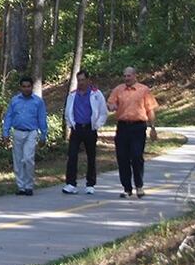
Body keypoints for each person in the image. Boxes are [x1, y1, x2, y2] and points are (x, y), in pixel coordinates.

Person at [107, 67, 159, 199]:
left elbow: (150, 110)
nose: (126, 78)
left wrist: (152, 128)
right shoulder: (118, 90)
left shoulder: (144, 90)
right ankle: (127, 188)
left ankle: (139, 186)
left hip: (138, 127)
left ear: (135, 76)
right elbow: (111, 103)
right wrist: (111, 106)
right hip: (123, 127)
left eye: (129, 76)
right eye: (124, 76)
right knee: (122, 157)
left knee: (136, 156)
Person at [62, 70, 108, 195]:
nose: (81, 83)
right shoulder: (72, 95)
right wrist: (70, 124)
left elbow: (103, 112)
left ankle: (90, 183)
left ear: (88, 80)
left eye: (83, 80)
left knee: (91, 156)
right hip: (77, 128)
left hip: (90, 128)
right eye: (79, 80)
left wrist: (97, 125)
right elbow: (67, 112)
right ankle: (71, 183)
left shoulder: (96, 94)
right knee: (72, 156)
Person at [2, 76, 48, 196]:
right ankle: (21, 186)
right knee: (18, 160)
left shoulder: (38, 101)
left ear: (32, 87)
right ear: (20, 87)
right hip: (17, 131)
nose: (26, 89)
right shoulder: (15, 100)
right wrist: (5, 133)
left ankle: (29, 185)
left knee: (28, 158)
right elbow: (9, 117)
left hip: (31, 132)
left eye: (28, 86)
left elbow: (42, 118)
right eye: (24, 86)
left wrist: (43, 135)